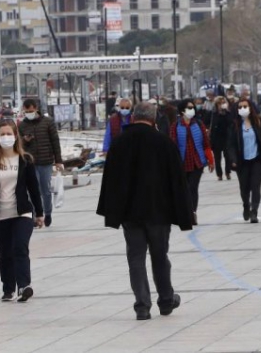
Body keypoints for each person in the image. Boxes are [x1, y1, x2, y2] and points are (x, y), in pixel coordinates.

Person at [97, 103, 193, 320]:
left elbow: (110, 180)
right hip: (159, 212)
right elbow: (177, 181)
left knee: (135, 257)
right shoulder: (164, 143)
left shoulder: (120, 143)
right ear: (153, 119)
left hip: (130, 214)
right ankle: (166, 300)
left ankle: (142, 305)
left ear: (133, 117)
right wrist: (184, 212)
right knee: (160, 256)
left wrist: (111, 211)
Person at [0, 119, 44, 303]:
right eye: (2, 134)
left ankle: (24, 286)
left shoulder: (25, 160)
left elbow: (34, 188)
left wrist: (39, 213)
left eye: (9, 134)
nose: (6, 137)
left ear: (16, 136)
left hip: (21, 213)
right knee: (5, 252)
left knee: (20, 247)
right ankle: (8, 287)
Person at [227, 100, 261, 224]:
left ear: (250, 108)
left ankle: (254, 211)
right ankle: (246, 205)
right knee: (244, 188)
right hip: (242, 161)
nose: (243, 109)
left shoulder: (258, 122)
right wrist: (233, 159)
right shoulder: (235, 125)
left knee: (255, 186)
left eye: (245, 106)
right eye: (240, 107)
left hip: (257, 160)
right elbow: (231, 145)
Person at [18, 99, 63, 227]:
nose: (29, 113)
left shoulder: (48, 122)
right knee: (33, 190)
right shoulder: (21, 125)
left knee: (46, 190)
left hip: (46, 161)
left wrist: (58, 160)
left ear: (36, 108)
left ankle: (48, 212)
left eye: (31, 111)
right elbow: (18, 144)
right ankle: (36, 215)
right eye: (26, 112)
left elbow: (55, 141)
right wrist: (24, 140)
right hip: (30, 163)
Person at [169, 99, 214, 226]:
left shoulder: (199, 124)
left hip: (197, 162)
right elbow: (173, 145)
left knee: (192, 188)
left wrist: (210, 160)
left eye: (192, 107)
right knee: (184, 189)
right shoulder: (175, 126)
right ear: (182, 110)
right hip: (182, 162)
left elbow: (206, 143)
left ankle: (192, 212)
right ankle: (185, 212)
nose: (191, 110)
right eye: (189, 108)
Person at [209, 96, 232, 181]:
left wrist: (225, 111)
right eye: (219, 103)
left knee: (228, 156)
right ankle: (219, 174)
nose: (221, 105)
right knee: (217, 158)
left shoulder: (228, 113)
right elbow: (211, 124)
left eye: (223, 103)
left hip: (226, 138)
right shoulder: (213, 114)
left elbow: (230, 123)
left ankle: (228, 172)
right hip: (216, 139)